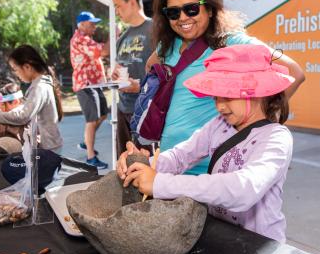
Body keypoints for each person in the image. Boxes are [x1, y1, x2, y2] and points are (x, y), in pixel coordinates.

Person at [118, 44, 294, 243]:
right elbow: (180, 156)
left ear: (256, 91)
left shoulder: (276, 138)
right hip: (223, 234)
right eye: (216, 96)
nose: (219, 105)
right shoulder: (218, 125)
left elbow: (244, 189)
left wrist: (160, 183)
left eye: (227, 96)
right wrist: (144, 164)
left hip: (259, 244)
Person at [145, 0, 305, 175]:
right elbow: (150, 66)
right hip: (170, 161)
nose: (183, 18)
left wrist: (256, 121)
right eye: (173, 13)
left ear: (209, 9)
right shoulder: (168, 46)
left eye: (191, 9)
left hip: (210, 168)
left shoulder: (229, 42)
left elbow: (294, 72)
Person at [0, 45, 63, 153]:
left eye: (15, 69)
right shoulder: (39, 85)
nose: (16, 74)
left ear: (27, 67)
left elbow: (22, 116)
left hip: (49, 148)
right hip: (49, 146)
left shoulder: (39, 87)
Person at [109, 0, 154, 156]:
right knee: (124, 164)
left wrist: (140, 86)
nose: (117, 11)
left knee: (144, 165)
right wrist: (114, 74)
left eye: (118, 6)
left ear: (133, 2)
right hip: (123, 110)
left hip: (146, 112)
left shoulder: (155, 29)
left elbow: (166, 71)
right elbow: (120, 69)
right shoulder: (122, 39)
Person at [70, 11, 109, 168]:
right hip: (86, 85)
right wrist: (113, 36)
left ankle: (87, 142)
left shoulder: (85, 39)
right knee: (92, 120)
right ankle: (91, 157)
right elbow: (104, 51)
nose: (95, 26)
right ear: (82, 25)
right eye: (92, 24)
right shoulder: (81, 39)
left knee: (103, 114)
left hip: (93, 84)